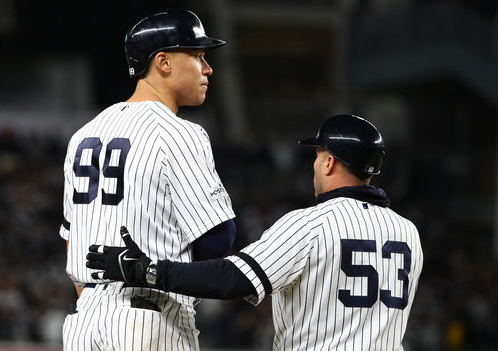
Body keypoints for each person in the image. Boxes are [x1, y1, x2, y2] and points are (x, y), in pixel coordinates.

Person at [88, 114, 424, 350]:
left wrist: (148, 271)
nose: (315, 162)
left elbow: (233, 278)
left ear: (330, 162)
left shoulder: (311, 224)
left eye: (319, 154)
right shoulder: (408, 233)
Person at [60, 9, 236, 351]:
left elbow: (72, 240)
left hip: (83, 321)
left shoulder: (83, 135)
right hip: (150, 318)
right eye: (197, 56)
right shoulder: (180, 133)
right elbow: (218, 238)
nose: (208, 68)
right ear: (164, 62)